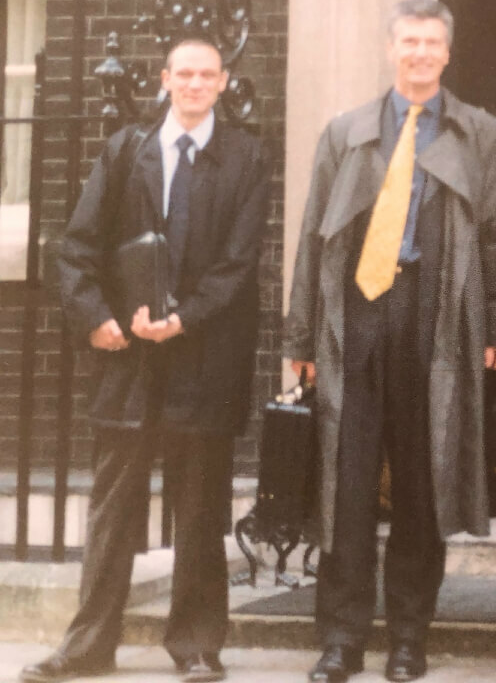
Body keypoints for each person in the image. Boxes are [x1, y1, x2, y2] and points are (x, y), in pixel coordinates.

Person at [283, 0, 496, 683]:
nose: (420, 54)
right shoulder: (347, 132)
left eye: (432, 43)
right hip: (356, 315)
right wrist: (300, 332)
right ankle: (342, 638)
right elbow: (312, 234)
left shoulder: (481, 133)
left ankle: (409, 636)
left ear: (448, 53)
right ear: (391, 49)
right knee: (346, 479)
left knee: (424, 479)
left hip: (435, 312)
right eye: (409, 42)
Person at [22, 37, 268, 683]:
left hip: (204, 356)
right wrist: (97, 319)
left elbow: (239, 265)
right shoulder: (125, 150)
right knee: (111, 513)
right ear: (165, 79)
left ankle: (194, 646)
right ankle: (87, 646)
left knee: (199, 510)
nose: (193, 84)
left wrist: (182, 319)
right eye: (182, 73)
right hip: (128, 359)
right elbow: (76, 247)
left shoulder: (245, 157)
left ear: (222, 83)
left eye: (206, 75)